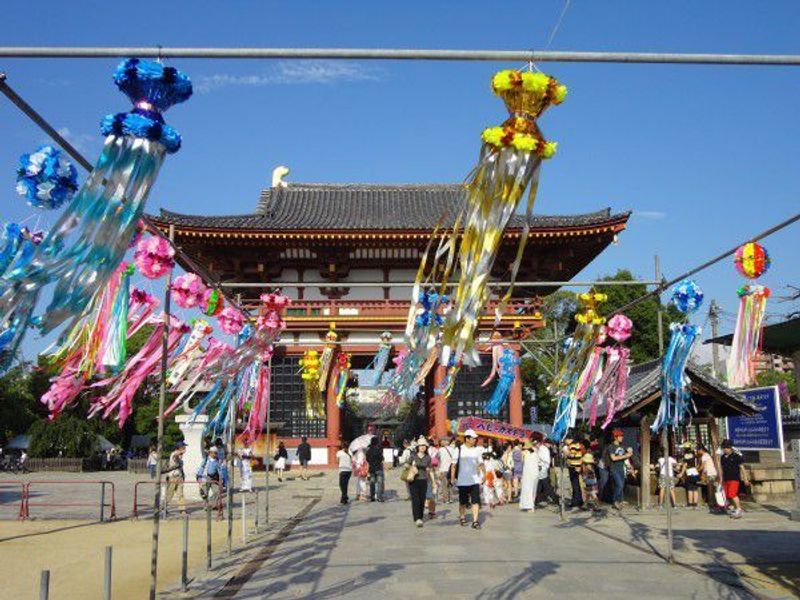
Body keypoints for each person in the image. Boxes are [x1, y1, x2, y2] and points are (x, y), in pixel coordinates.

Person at [451, 429, 484, 529]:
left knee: (475, 501)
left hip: (475, 480)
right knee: (463, 502)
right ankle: (462, 517)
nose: (475, 440)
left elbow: (481, 463)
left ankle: (475, 521)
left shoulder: (477, 450)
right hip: (462, 480)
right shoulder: (459, 449)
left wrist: (485, 474)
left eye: (475, 438)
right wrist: (452, 478)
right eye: (473, 438)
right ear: (467, 438)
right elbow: (454, 465)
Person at [406, 436, 435, 527]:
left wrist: (433, 481)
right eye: (421, 445)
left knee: (422, 500)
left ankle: (420, 516)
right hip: (413, 480)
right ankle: (417, 518)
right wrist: (412, 467)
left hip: (424, 480)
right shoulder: (413, 456)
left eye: (424, 445)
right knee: (416, 500)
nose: (422, 447)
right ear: (417, 447)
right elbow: (406, 465)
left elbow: (430, 470)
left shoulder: (428, 457)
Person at [720, 439, 749, 519]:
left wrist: (745, 479)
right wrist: (721, 479)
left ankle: (739, 509)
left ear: (731, 448)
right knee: (727, 495)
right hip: (726, 478)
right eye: (724, 447)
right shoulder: (722, 457)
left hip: (734, 478)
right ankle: (733, 508)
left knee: (732, 494)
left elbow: (742, 468)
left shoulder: (736, 456)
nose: (725, 449)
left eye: (727, 447)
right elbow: (722, 468)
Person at [604, 429, 632, 510]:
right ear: (615, 437)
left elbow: (629, 450)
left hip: (621, 469)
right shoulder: (611, 446)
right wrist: (626, 456)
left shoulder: (622, 446)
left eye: (622, 436)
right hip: (614, 469)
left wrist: (630, 449)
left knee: (620, 485)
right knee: (619, 485)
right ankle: (615, 501)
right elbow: (613, 458)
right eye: (620, 436)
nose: (622, 437)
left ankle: (619, 501)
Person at [164, 441, 187, 517]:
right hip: (172, 477)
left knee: (180, 494)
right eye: (183, 446)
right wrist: (180, 452)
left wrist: (183, 476)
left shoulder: (181, 457)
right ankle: (163, 507)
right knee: (169, 494)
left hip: (179, 477)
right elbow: (175, 456)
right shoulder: (174, 454)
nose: (185, 448)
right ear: (179, 447)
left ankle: (182, 509)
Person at [697, 445, 720, 511]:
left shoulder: (704, 456)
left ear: (701, 450)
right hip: (712, 473)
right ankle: (713, 502)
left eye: (698, 450)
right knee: (712, 488)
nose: (698, 452)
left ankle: (712, 503)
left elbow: (702, 466)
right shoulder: (707, 455)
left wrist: (696, 470)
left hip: (710, 473)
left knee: (710, 489)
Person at [519, 440, 540, 512]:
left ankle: (529, 506)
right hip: (533, 473)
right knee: (532, 489)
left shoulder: (526, 453)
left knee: (528, 489)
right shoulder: (536, 452)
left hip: (528, 473)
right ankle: (530, 505)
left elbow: (522, 461)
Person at [564, 437, 585, 508]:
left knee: (575, 484)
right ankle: (579, 500)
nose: (565, 442)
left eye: (565, 440)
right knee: (576, 484)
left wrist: (565, 452)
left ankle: (575, 501)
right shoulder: (576, 444)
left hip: (574, 466)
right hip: (576, 466)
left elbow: (572, 455)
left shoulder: (572, 445)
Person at [678, 441, 699, 509]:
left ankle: (690, 504)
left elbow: (685, 465)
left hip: (689, 472)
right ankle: (695, 504)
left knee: (690, 489)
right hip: (695, 472)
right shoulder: (693, 454)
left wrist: (681, 473)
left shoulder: (686, 456)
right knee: (695, 488)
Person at [536, 438, 558, 506]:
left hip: (541, 469)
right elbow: (547, 460)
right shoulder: (544, 449)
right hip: (543, 469)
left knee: (542, 485)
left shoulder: (542, 448)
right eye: (550, 444)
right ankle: (554, 499)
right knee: (545, 485)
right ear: (546, 443)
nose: (550, 445)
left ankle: (537, 500)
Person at [366, 436, 385, 502]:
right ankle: (379, 497)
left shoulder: (368, 450)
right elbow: (382, 458)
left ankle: (372, 497)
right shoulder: (378, 450)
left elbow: (367, 459)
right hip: (378, 468)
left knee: (372, 482)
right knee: (379, 483)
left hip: (371, 469)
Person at [437, 438, 455, 504]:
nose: (441, 442)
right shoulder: (453, 449)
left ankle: (446, 499)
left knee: (444, 485)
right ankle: (451, 498)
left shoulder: (440, 450)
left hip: (443, 469)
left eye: (442, 441)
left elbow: (437, 458)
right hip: (451, 469)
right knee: (450, 484)